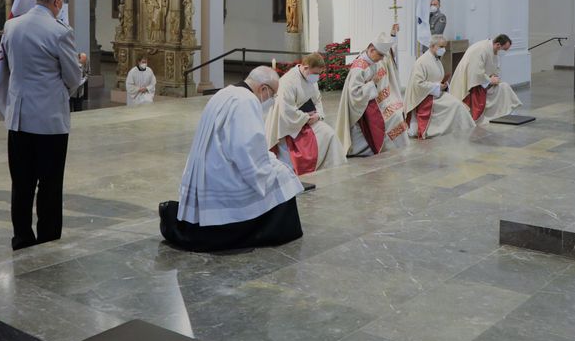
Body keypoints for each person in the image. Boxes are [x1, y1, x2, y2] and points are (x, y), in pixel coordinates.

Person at [159, 66, 304, 252]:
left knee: (276, 167)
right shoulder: (247, 101)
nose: (271, 100)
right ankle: (272, 231)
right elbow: (246, 149)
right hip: (222, 173)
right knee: (282, 176)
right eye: (272, 94)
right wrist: (267, 168)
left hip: (208, 169)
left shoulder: (225, 92)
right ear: (263, 88)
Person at [0, 0, 85, 250]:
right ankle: (48, 236)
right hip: (49, 121)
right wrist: (80, 66)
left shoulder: (12, 26)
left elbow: (6, 68)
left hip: (19, 117)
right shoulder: (60, 32)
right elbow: (72, 77)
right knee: (50, 183)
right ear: (57, 1)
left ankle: (21, 236)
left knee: (21, 183)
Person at [265, 52, 343, 174]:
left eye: (319, 74)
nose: (317, 77)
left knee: (330, 134)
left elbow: (317, 100)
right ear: (305, 67)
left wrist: (318, 115)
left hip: (308, 119)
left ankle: (334, 170)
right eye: (316, 73)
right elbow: (286, 111)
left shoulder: (310, 77)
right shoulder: (288, 82)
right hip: (289, 124)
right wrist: (306, 118)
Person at [336, 25, 409, 156]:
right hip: (364, 107)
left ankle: (398, 147)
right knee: (394, 116)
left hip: (379, 101)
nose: (382, 58)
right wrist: (372, 84)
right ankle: (383, 146)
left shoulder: (376, 58)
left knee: (398, 112)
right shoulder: (359, 68)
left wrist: (393, 35)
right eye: (380, 55)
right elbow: (355, 94)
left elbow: (390, 53)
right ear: (371, 50)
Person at [406, 35, 475, 137]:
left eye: (444, 47)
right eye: (441, 47)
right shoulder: (421, 62)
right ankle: (454, 129)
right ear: (432, 46)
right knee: (455, 105)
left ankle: (462, 129)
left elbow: (438, 79)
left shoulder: (436, 60)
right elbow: (418, 84)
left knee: (458, 104)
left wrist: (444, 85)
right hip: (425, 97)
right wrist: (437, 86)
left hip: (436, 94)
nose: (444, 50)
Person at [448, 34, 523, 124]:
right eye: (504, 49)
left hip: (484, 83)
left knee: (504, 87)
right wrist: (490, 80)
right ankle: (497, 113)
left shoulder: (492, 50)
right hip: (470, 85)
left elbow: (494, 68)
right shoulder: (481, 49)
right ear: (498, 45)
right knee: (501, 87)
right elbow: (476, 73)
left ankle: (507, 111)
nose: (503, 52)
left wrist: (494, 77)